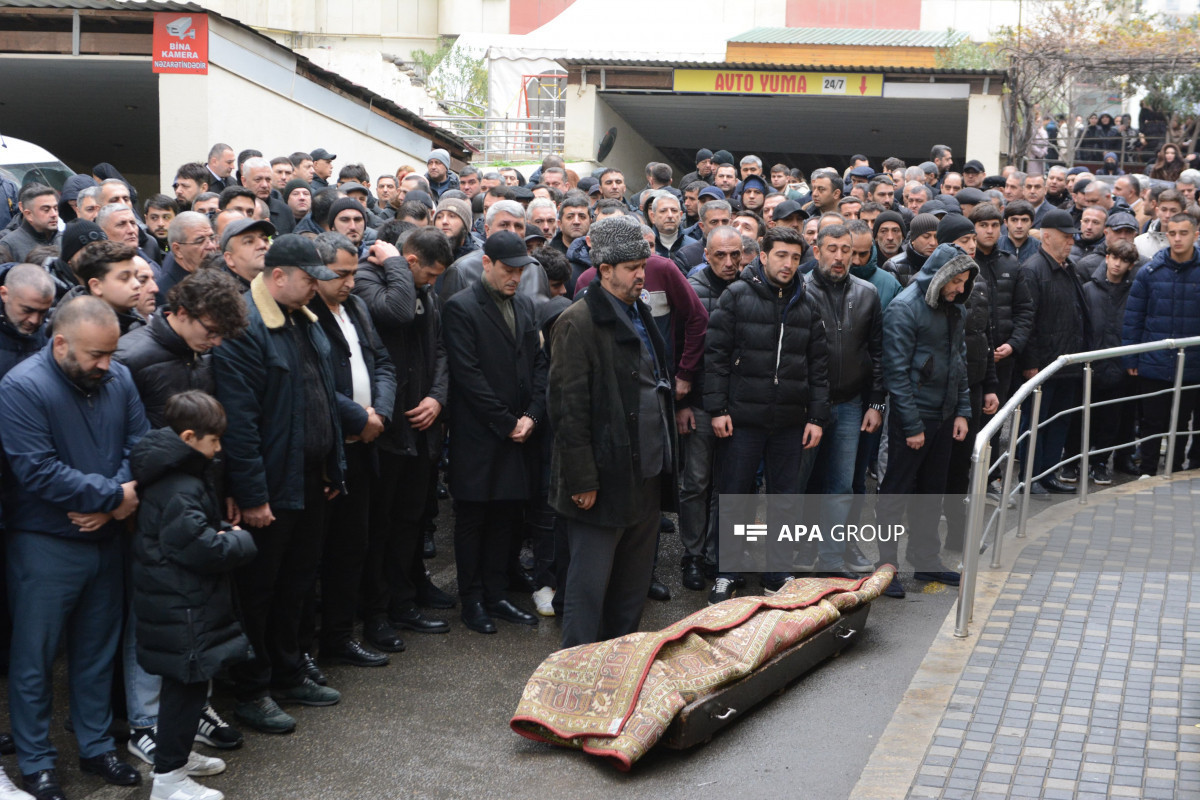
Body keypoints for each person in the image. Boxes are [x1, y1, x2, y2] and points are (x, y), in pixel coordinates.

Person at [0, 297, 148, 800]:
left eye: (110, 354)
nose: (105, 365)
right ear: (59, 343)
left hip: (105, 535)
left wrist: (114, 504)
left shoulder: (118, 377)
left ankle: (97, 744)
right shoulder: (22, 386)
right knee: (35, 658)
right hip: (44, 544)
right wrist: (113, 496)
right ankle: (37, 760)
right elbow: (35, 469)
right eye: (94, 356)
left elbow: (139, 446)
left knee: (96, 651)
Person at [213, 234, 345, 734]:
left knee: (295, 584)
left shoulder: (301, 321)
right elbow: (240, 424)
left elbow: (323, 401)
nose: (316, 288)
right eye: (309, 279)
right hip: (272, 486)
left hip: (310, 479)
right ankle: (251, 688)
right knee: (259, 592)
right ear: (278, 276)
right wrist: (252, 496)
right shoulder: (247, 327)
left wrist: (334, 466)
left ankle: (289, 671)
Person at [550, 215, 677, 647]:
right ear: (604, 270)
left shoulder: (639, 310)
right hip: (601, 481)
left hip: (645, 471)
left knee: (631, 589)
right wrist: (582, 480)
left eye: (643, 265)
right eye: (631, 267)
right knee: (587, 592)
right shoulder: (576, 322)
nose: (641, 275)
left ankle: (619, 672)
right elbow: (569, 410)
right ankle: (575, 675)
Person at [129, 392, 257, 800]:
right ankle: (168, 780)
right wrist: (238, 540)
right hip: (181, 605)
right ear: (189, 436)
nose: (219, 449)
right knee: (183, 689)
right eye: (214, 440)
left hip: (180, 602)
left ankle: (177, 758)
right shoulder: (179, 485)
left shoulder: (178, 473)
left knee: (186, 687)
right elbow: (201, 547)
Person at [704, 226, 829, 603]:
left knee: (785, 498)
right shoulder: (737, 296)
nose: (788, 264)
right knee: (736, 495)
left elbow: (818, 366)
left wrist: (817, 417)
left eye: (794, 257)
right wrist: (718, 409)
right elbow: (715, 357)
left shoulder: (807, 303)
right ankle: (728, 571)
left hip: (790, 420)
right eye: (780, 255)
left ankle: (777, 570)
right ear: (762, 255)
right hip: (742, 418)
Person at [354, 226, 456, 652]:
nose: (432, 285)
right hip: (385, 430)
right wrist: (396, 263)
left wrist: (436, 396)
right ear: (409, 262)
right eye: (428, 275)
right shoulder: (368, 279)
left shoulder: (422, 289)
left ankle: (408, 594)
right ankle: (379, 612)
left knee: (411, 520)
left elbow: (439, 349)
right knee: (380, 527)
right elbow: (395, 313)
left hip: (420, 427)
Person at [442, 230, 548, 634]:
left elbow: (539, 366)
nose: (515, 278)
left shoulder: (523, 305)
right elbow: (468, 376)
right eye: (508, 269)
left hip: (519, 432)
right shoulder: (461, 308)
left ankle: (497, 592)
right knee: (473, 518)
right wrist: (507, 422)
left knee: (506, 516)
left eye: (520, 270)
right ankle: (472, 599)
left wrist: (533, 417)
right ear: (486, 263)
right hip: (480, 436)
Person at [307, 232, 396, 667]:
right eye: (339, 275)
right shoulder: (306, 316)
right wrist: (360, 419)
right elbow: (315, 385)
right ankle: (310, 647)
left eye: (352, 273)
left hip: (366, 446)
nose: (348, 282)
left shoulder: (357, 306)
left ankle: (341, 638)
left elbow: (382, 362)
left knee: (354, 547)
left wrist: (379, 412)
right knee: (320, 554)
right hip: (331, 449)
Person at [877, 244, 975, 598]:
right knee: (895, 495)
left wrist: (962, 410)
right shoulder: (904, 308)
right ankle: (885, 567)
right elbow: (896, 374)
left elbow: (959, 362)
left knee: (931, 493)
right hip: (912, 418)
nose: (960, 289)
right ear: (940, 276)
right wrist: (914, 425)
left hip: (944, 416)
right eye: (956, 281)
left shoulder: (955, 309)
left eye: (964, 282)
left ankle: (926, 559)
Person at [802, 223, 884, 576]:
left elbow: (878, 353)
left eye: (846, 250)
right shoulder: (799, 290)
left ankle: (832, 559)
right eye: (832, 248)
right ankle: (796, 554)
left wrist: (876, 402)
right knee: (799, 484)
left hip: (851, 403)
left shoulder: (867, 293)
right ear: (817, 250)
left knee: (841, 486)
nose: (839, 256)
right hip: (805, 407)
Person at [679, 226, 741, 591]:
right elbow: (680, 347)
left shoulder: (751, 286)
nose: (729, 262)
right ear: (706, 254)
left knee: (728, 486)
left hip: (737, 405)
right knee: (696, 483)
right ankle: (693, 554)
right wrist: (683, 402)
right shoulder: (691, 290)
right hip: (700, 402)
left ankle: (721, 556)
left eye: (736, 254)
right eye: (721, 255)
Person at [1122, 213, 1200, 476]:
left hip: (1194, 363)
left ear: (1196, 234)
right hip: (1154, 362)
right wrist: (1132, 357)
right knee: (1152, 421)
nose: (1177, 238)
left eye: (1184, 233)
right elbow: (1134, 317)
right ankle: (1148, 470)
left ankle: (1178, 470)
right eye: (1173, 233)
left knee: (1183, 422)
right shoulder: (1150, 272)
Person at [1019, 210, 1089, 496]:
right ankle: (1030, 477)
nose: (1071, 242)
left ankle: (1048, 473)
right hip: (1044, 365)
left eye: (1073, 237)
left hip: (1068, 362)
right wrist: (1031, 362)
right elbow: (1028, 320)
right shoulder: (1033, 269)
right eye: (1065, 237)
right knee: (1035, 423)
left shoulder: (1068, 267)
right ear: (1047, 236)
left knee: (1059, 422)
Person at [1083, 240, 1139, 481]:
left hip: (1119, 365)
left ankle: (1100, 462)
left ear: (1130, 265)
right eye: (1114, 257)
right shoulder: (1087, 289)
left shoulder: (1134, 292)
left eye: (1123, 260)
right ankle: (1077, 461)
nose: (1117, 264)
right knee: (1084, 418)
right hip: (1090, 365)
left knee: (1111, 419)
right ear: (1106, 257)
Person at [0, 185, 60, 264]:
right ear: (28, 214)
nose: (54, 214)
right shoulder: (9, 245)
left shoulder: (63, 239)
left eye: (55, 208)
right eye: (46, 210)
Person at [883, 212, 939, 287]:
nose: (933, 242)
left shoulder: (944, 261)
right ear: (913, 239)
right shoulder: (894, 266)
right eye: (926, 236)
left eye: (936, 237)